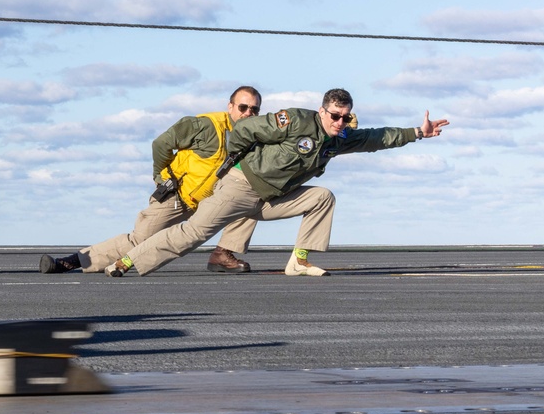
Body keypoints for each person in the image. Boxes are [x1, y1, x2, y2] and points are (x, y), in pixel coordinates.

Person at [104, 88, 449, 278]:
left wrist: (418, 132)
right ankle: (127, 262)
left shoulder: (340, 138)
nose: (340, 122)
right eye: (335, 115)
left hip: (271, 199)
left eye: (345, 117)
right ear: (322, 111)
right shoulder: (295, 120)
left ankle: (298, 261)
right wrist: (236, 160)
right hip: (241, 187)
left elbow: (377, 137)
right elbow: (244, 129)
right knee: (193, 234)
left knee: (322, 197)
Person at [41, 86, 306, 274]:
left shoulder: (256, 137)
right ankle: (73, 261)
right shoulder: (206, 126)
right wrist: (160, 176)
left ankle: (222, 254)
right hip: (177, 196)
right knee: (139, 240)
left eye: (254, 110)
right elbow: (162, 143)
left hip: (211, 202)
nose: (248, 113)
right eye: (243, 107)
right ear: (230, 107)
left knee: (246, 200)